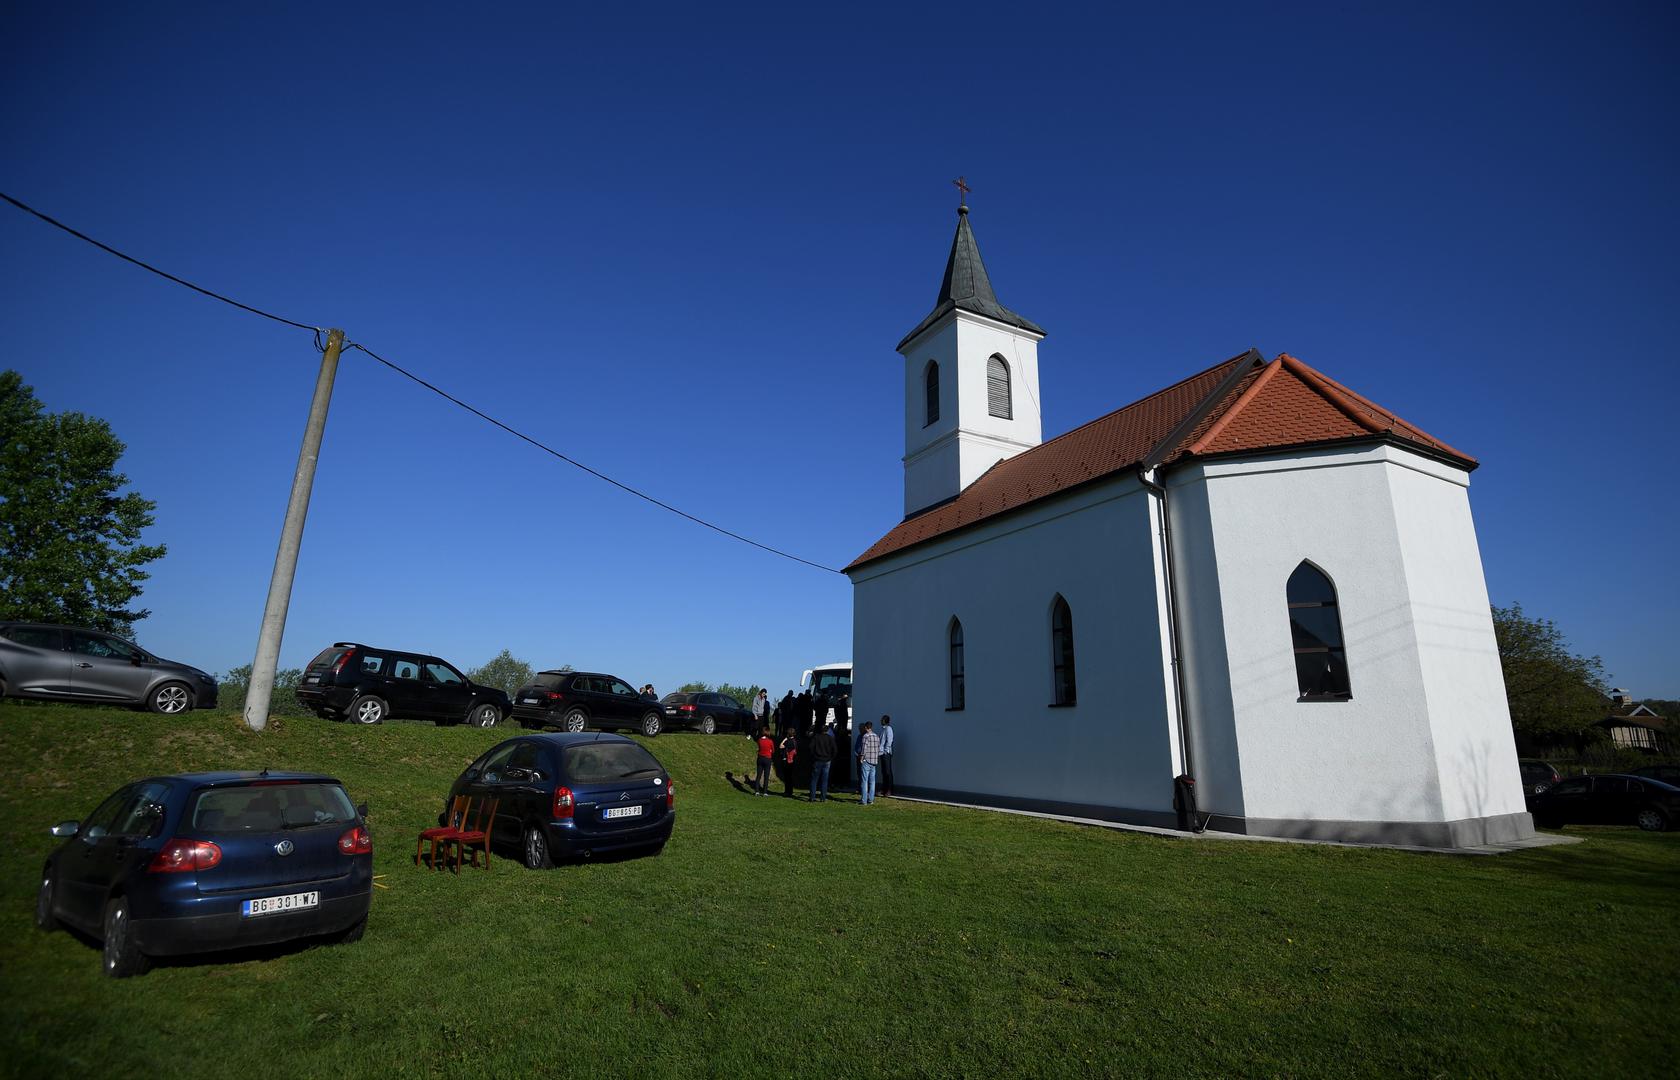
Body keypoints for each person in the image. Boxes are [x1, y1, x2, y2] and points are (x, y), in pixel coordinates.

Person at [807, 718, 835, 802]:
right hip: (827, 760)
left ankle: (812, 797)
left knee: (814, 779)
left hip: (818, 759)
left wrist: (814, 756)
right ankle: (823, 797)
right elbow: (835, 749)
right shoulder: (830, 738)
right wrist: (831, 757)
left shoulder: (816, 737)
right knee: (824, 780)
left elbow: (811, 747)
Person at [857, 720, 882, 806]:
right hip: (874, 761)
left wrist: (861, 758)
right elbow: (878, 749)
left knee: (864, 781)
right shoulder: (876, 736)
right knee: (872, 781)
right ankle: (871, 799)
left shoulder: (866, 736)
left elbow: (864, 749)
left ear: (865, 727)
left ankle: (864, 800)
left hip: (867, 760)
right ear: (871, 727)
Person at [777, 728, 799, 797]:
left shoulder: (788, 741)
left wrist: (785, 739)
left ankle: (787, 792)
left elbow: (780, 746)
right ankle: (790, 791)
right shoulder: (795, 741)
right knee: (790, 777)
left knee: (787, 777)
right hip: (792, 760)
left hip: (787, 761)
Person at [754, 727, 775, 796]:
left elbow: (760, 748)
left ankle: (757, 791)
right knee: (766, 776)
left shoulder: (759, 740)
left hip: (760, 758)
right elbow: (773, 750)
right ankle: (765, 792)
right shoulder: (770, 741)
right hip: (767, 758)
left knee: (758, 775)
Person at [879, 714, 895, 797]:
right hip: (882, 753)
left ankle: (889, 789)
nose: (880, 721)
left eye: (882, 719)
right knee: (884, 772)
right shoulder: (883, 729)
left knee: (888, 772)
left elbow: (889, 741)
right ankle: (884, 788)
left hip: (886, 753)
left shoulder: (888, 729)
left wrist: (885, 751)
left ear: (885, 721)